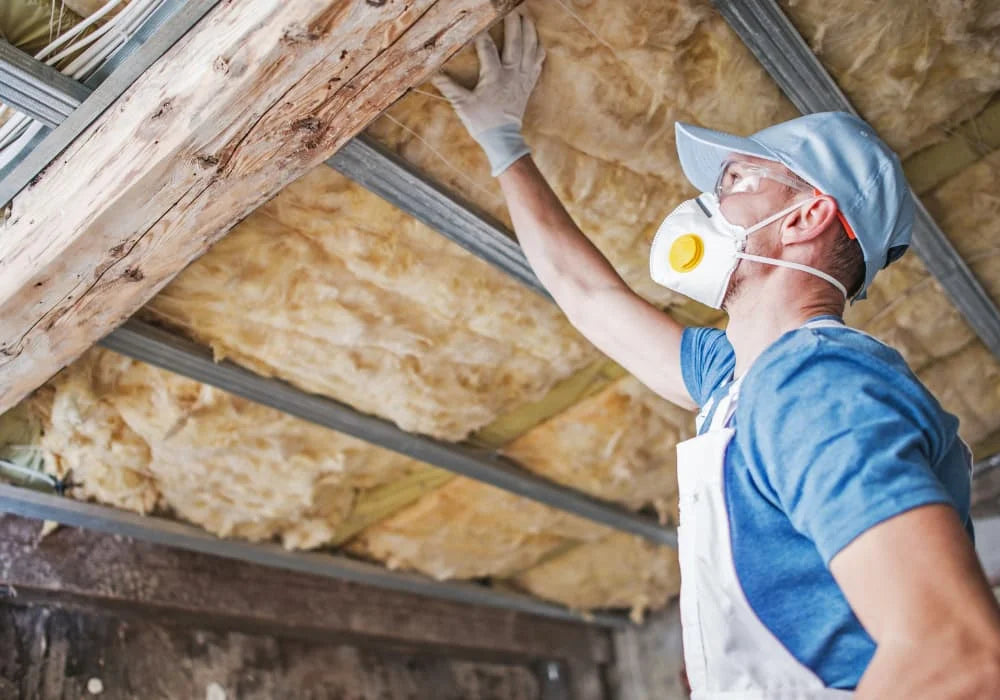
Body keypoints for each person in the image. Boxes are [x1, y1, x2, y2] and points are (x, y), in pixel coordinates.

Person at [431, 11, 1000, 699]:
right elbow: (588, 297)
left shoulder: (816, 386)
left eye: (734, 183)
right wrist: (502, 144)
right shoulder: (742, 384)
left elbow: (959, 654)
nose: (706, 204)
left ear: (805, 217)